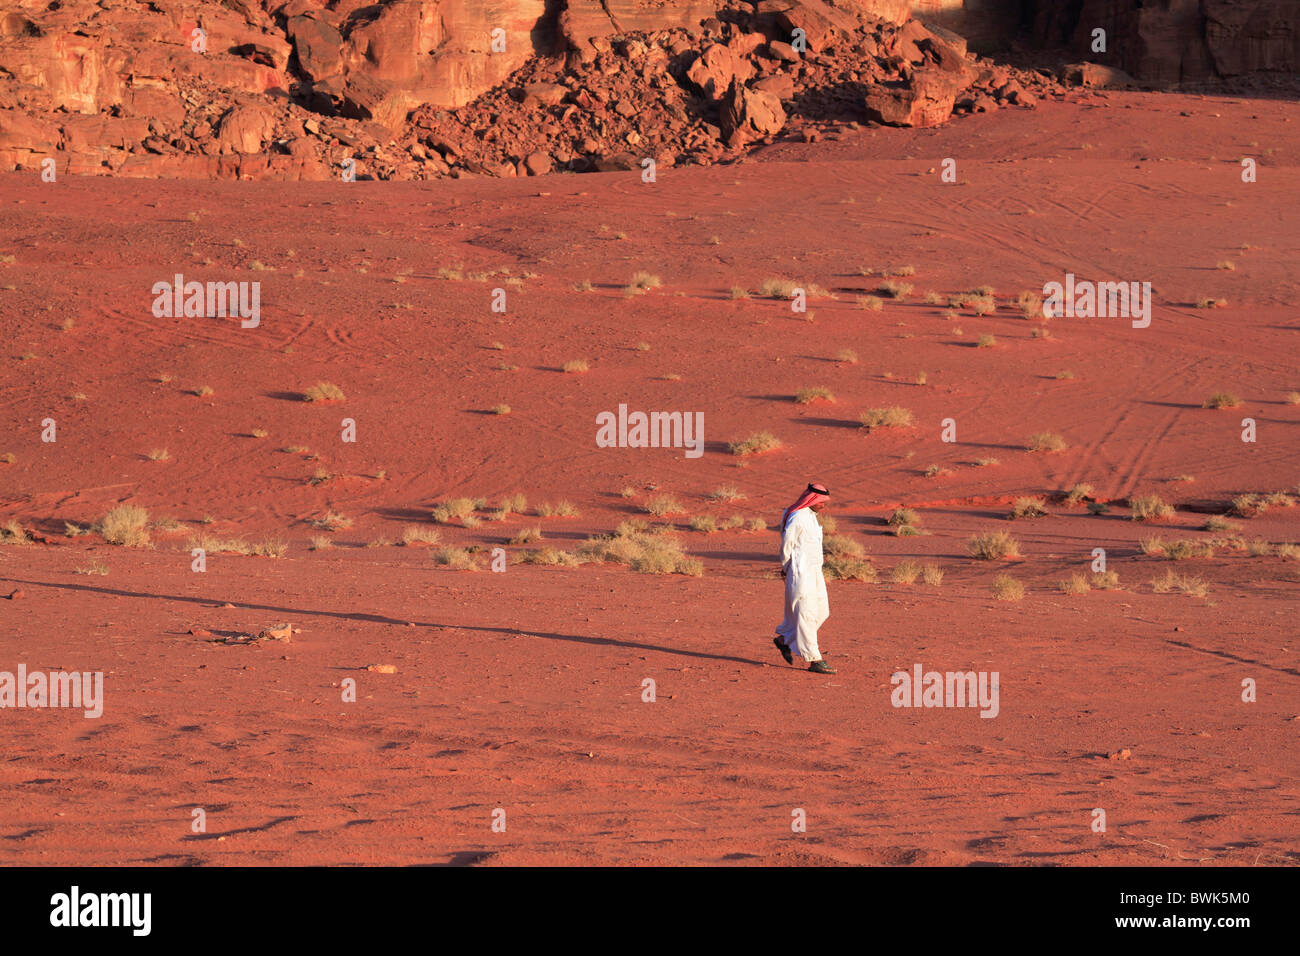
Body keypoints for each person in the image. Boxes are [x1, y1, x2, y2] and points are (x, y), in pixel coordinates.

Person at [773, 482, 836, 674]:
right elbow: (787, 545)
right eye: (821, 502)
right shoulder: (797, 517)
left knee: (822, 611)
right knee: (806, 614)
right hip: (800, 571)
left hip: (815, 570)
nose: (823, 506)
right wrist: (786, 568)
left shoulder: (810, 516)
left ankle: (786, 639)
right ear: (812, 499)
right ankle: (814, 659)